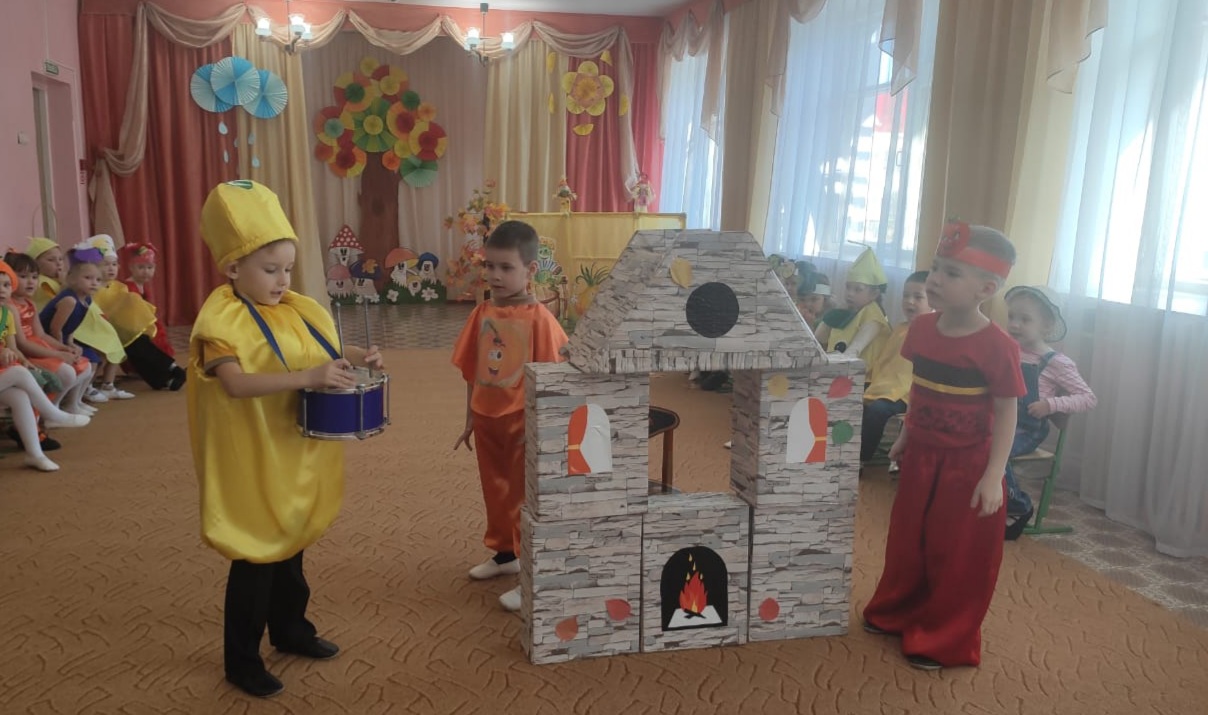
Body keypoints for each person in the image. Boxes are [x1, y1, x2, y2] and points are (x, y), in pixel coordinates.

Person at [188, 179, 384, 698]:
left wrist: (359, 355)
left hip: (293, 450)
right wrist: (309, 378)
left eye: (288, 269)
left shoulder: (295, 307)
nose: (282, 280)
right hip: (251, 456)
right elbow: (234, 384)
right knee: (257, 556)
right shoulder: (219, 322)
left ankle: (291, 629)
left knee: (292, 545)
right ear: (233, 267)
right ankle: (241, 660)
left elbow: (321, 349)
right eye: (270, 269)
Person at [862, 223, 1025, 670]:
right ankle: (897, 610)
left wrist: (993, 475)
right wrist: (906, 433)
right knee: (909, 538)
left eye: (951, 273)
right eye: (936, 268)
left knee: (957, 552)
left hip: (969, 464)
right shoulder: (921, 329)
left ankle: (943, 637)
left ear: (986, 289)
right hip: (922, 456)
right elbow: (919, 387)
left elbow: (1007, 413)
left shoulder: (998, 346)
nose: (934, 279)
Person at [451, 220, 568, 613]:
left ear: (530, 270)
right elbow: (472, 369)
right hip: (488, 420)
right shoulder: (482, 313)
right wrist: (470, 417)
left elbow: (552, 380)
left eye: (506, 267)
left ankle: (531, 572)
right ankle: (505, 555)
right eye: (490, 266)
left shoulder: (540, 320)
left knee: (524, 498)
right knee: (495, 490)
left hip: (522, 425)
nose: (495, 275)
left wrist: (541, 430)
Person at [1001, 285, 1096, 539]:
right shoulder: (1008, 349)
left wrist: (1050, 405)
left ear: (1046, 326)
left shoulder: (1056, 362)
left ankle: (1017, 505)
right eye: (1012, 317)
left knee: (994, 451)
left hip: (1027, 429)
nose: (1015, 324)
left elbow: (1088, 398)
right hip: (999, 421)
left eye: (1025, 319)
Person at [0, 260, 90, 471]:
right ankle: (53, 414)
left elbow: (14, 348)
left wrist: (24, 361)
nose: (2, 290)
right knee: (18, 373)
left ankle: (34, 454)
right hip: (7, 374)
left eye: (6, 285)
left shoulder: (6, 314)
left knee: (20, 395)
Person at [26, 237, 127, 403]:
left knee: (93, 358)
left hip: (62, 337)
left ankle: (77, 400)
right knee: (86, 360)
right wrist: (63, 349)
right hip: (47, 339)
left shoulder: (84, 297)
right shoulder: (55, 290)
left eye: (60, 260)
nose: (58, 264)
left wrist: (70, 343)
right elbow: (55, 329)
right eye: (51, 260)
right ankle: (64, 402)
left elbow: (71, 326)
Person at [4, 251, 94, 420]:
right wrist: (58, 355)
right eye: (23, 276)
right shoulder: (10, 306)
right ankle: (49, 412)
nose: (31, 281)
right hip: (28, 352)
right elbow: (22, 344)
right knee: (67, 373)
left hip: (39, 346)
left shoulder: (29, 303)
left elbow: (41, 334)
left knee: (85, 366)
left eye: (34, 277)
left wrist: (64, 348)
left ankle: (60, 405)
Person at [90, 234, 185, 391]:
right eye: (106, 265)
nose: (111, 268)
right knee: (137, 344)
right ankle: (172, 368)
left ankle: (164, 379)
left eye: (114, 264)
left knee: (137, 343)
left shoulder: (116, 285)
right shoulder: (96, 288)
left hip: (122, 329)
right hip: (107, 330)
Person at [861, 271, 932, 468]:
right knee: (849, 397)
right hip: (884, 385)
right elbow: (885, 361)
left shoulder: (932, 332)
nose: (910, 301)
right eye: (906, 296)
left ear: (933, 301)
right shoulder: (900, 328)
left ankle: (861, 458)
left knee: (876, 410)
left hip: (905, 394)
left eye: (918, 297)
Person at [814, 248, 891, 375]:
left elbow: (853, 351)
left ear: (874, 294)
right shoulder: (850, 310)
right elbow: (818, 340)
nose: (850, 293)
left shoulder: (873, 316)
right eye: (848, 287)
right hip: (842, 370)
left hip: (864, 377)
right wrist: (831, 317)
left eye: (858, 290)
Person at [119, 242, 175, 359]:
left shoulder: (141, 285)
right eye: (141, 267)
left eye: (150, 268)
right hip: (133, 325)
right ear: (131, 267)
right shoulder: (129, 286)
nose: (146, 271)